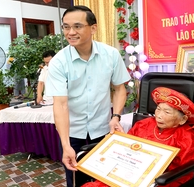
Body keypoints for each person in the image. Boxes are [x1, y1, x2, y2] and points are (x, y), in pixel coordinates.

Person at [45, 5, 131, 187]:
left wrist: (116, 116)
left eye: (77, 26)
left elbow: (119, 88)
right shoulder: (59, 62)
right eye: (66, 27)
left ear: (93, 28)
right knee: (76, 181)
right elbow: (60, 104)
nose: (71, 32)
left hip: (103, 129)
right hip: (72, 133)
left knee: (104, 178)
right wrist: (66, 144)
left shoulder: (111, 55)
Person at [82, 87, 194, 187]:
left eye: (167, 112)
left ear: (182, 119)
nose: (159, 116)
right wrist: (121, 139)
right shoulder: (144, 124)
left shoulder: (187, 137)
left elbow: (184, 173)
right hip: (129, 171)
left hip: (162, 180)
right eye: (158, 109)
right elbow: (129, 147)